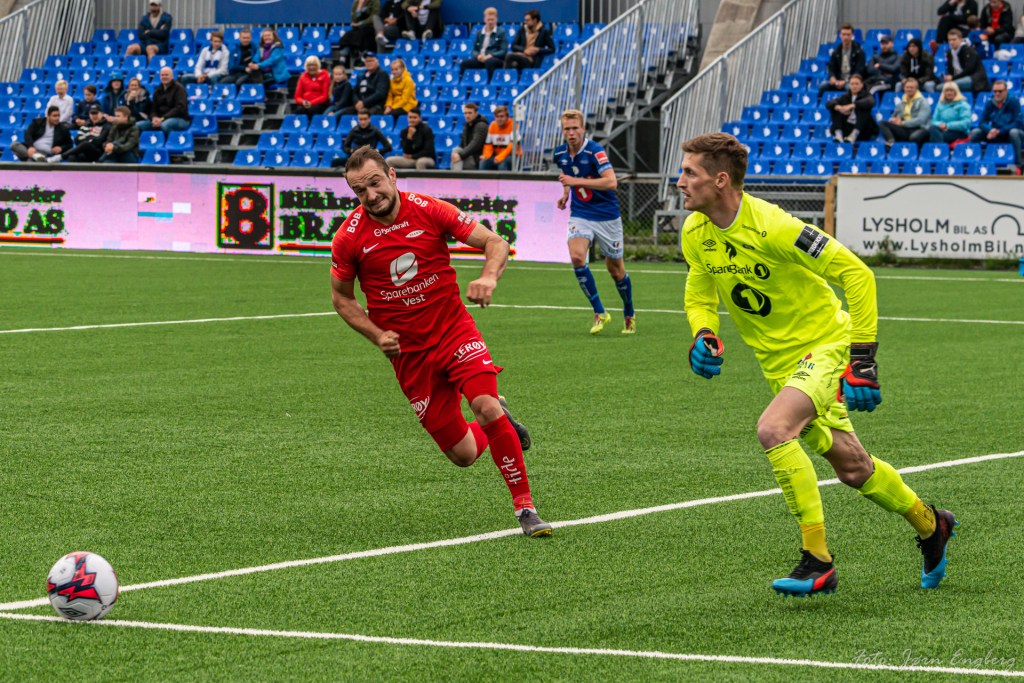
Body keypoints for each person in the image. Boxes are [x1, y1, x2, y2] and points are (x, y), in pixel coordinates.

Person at [677, 132, 958, 597]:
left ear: (721, 179)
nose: (680, 181)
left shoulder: (776, 226)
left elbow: (857, 274)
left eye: (690, 172)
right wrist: (703, 332)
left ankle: (818, 560)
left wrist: (862, 358)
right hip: (779, 366)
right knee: (853, 468)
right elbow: (700, 295)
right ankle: (932, 525)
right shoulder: (695, 231)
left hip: (828, 345)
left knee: (774, 429)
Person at [330, 145, 552, 538]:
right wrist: (377, 335)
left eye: (375, 183)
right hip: (410, 355)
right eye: (360, 190)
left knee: (483, 405)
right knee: (462, 454)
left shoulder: (430, 209)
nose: (371, 195)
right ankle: (500, 417)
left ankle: (525, 508)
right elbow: (342, 298)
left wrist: (488, 277)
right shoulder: (349, 237)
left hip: (454, 331)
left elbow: (495, 243)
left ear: (392, 175)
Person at [553, 109, 635, 335]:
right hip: (580, 213)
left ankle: (629, 311)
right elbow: (567, 175)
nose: (571, 133)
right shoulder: (560, 153)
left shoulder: (595, 151)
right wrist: (566, 192)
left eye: (575, 128)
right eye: (567, 129)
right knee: (577, 257)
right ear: (562, 131)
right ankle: (600, 312)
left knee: (616, 270)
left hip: (607, 216)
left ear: (583, 129)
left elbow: (611, 182)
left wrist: (575, 181)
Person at [970, 79, 1024, 166]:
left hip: (1009, 133)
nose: (997, 94)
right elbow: (982, 122)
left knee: (1014, 133)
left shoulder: (1014, 101)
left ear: (1006, 91)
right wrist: (990, 130)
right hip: (994, 133)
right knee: (975, 132)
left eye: (1000, 91)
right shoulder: (990, 102)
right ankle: (974, 162)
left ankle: (1017, 164)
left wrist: (1000, 131)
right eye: (995, 91)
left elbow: (1018, 123)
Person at [880, 76, 932, 149]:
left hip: (920, 128)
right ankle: (891, 142)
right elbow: (893, 116)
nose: (909, 89)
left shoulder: (923, 102)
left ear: (916, 89)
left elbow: (921, 120)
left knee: (914, 137)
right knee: (883, 123)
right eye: (907, 87)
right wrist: (893, 120)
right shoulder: (901, 103)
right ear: (904, 88)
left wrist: (902, 123)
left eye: (911, 87)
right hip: (905, 128)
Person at [825, 74, 878, 144]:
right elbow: (829, 103)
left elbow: (871, 101)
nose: (854, 86)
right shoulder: (845, 96)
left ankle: (854, 134)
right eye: (852, 84)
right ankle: (838, 135)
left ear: (862, 85)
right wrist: (838, 107)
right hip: (848, 127)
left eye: (856, 84)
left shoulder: (867, 95)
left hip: (862, 130)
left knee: (862, 107)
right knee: (834, 107)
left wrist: (852, 105)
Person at [137, 66, 189, 133]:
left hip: (179, 119)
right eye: (162, 75)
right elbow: (153, 108)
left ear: (172, 76)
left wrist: (163, 118)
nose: (164, 77)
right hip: (160, 119)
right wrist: (154, 117)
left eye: (166, 75)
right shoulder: (157, 90)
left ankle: (170, 140)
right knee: (137, 125)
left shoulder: (179, 88)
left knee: (165, 125)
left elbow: (180, 108)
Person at [461, 7, 508, 79]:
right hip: (481, 58)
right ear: (485, 19)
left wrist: (491, 55)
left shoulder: (501, 32)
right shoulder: (479, 33)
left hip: (495, 59)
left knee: (489, 62)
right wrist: (478, 56)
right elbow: (474, 50)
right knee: (464, 63)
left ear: (496, 19)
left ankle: (489, 82)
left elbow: (503, 50)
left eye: (492, 20)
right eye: (488, 20)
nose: (490, 22)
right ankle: (467, 81)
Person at [819, 23, 866, 94]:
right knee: (822, 86)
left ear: (852, 36)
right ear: (840, 35)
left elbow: (859, 71)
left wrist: (845, 81)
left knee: (849, 88)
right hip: (838, 81)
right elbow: (831, 68)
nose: (846, 37)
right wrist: (832, 77)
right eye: (843, 34)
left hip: (851, 81)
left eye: (848, 35)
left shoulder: (859, 52)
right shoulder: (836, 52)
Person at [338, 0, 382, 68]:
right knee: (347, 36)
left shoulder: (375, 2)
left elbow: (374, 17)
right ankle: (342, 61)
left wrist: (360, 23)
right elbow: (354, 19)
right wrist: (359, 7)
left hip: (371, 27)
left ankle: (362, 58)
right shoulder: (356, 2)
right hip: (358, 28)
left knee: (363, 35)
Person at [944, 28, 989, 94]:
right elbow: (950, 70)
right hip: (958, 78)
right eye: (949, 40)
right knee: (942, 86)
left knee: (944, 88)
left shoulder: (969, 51)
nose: (951, 42)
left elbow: (969, 70)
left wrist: (953, 78)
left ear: (960, 40)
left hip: (974, 79)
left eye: (954, 40)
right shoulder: (949, 53)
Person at [451, 101, 488, 170]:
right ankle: (456, 174)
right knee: (456, 151)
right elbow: (462, 145)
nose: (467, 116)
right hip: (469, 156)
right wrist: (459, 155)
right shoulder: (467, 126)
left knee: (456, 154)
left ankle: (456, 175)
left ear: (476, 114)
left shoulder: (481, 125)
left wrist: (460, 155)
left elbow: (475, 144)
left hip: (478, 159)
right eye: (465, 113)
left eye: (470, 113)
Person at [479, 105, 517, 170]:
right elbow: (488, 144)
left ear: (507, 117)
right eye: (497, 116)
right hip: (497, 155)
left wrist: (500, 157)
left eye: (501, 116)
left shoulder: (513, 125)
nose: (499, 119)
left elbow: (511, 146)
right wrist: (486, 155)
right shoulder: (492, 125)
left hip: (512, 156)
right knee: (483, 162)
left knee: (502, 163)